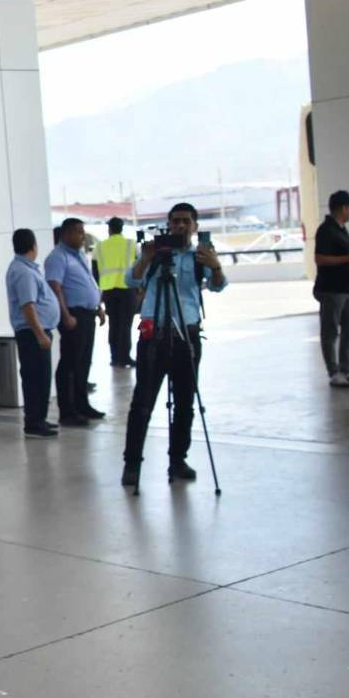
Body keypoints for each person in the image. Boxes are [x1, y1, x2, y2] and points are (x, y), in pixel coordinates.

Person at [121, 203, 226, 487]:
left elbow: (217, 285)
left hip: (187, 335)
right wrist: (146, 259)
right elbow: (130, 279)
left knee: (185, 403)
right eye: (175, 221)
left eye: (185, 221)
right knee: (142, 401)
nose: (180, 226)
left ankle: (177, 461)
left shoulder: (199, 257)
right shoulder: (157, 254)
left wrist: (214, 265)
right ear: (168, 224)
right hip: (154, 334)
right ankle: (132, 464)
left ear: (195, 225)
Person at [45, 218, 106, 426]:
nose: (82, 236)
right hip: (73, 314)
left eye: (82, 231)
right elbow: (55, 287)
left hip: (87, 313)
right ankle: (68, 411)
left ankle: (82, 405)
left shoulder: (79, 254)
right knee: (70, 364)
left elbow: (88, 282)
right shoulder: (57, 257)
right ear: (65, 234)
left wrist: (98, 307)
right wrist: (65, 315)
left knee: (83, 361)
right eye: (78, 232)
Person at [6, 229, 61, 438]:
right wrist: (40, 334)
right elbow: (27, 305)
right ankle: (34, 422)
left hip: (35, 332)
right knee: (36, 378)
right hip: (32, 334)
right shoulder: (23, 272)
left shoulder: (26, 268)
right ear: (34, 246)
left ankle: (39, 419)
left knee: (40, 378)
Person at [313, 190, 349, 387]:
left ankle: (346, 369)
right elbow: (320, 259)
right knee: (330, 331)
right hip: (332, 290)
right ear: (343, 208)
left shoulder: (342, 229)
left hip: (345, 289)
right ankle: (334, 371)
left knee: (348, 330)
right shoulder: (326, 230)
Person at [97, 217, 138, 367]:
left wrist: (99, 290)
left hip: (108, 290)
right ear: (122, 228)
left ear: (109, 228)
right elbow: (139, 267)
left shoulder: (100, 246)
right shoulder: (130, 244)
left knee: (113, 324)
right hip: (127, 289)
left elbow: (95, 271)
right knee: (125, 325)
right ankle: (125, 356)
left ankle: (114, 357)